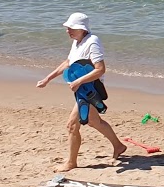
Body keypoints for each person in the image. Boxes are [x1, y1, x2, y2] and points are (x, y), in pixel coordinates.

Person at [36, 12, 126, 171]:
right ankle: (118, 146)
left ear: (82, 29)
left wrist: (78, 81)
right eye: (67, 27)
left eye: (71, 28)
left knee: (71, 125)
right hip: (82, 89)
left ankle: (71, 162)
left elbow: (100, 69)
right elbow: (68, 62)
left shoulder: (92, 42)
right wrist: (47, 79)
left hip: (90, 91)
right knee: (94, 122)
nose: (67, 31)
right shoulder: (77, 42)